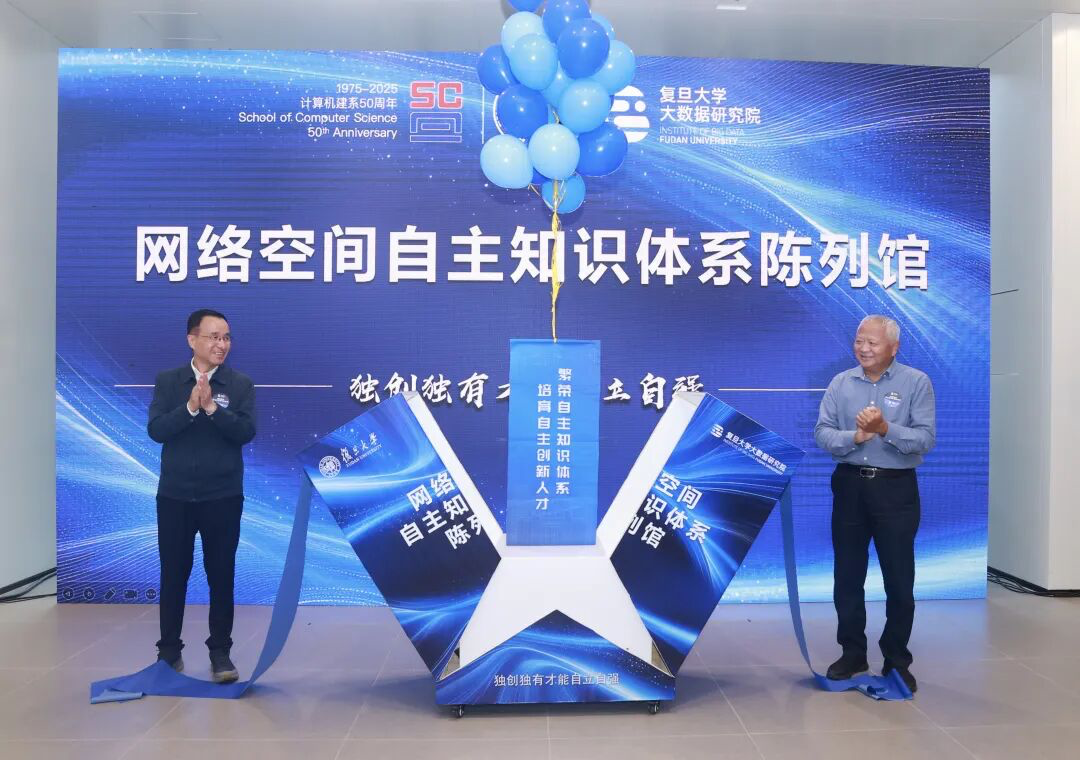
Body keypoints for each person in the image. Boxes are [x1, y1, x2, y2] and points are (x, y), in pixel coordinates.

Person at [813, 315, 935, 694]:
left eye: (872, 343)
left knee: (899, 579)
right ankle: (852, 653)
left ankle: (896, 660)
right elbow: (822, 433)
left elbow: (924, 439)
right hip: (850, 486)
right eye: (859, 341)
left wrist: (885, 429)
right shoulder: (840, 382)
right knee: (847, 577)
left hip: (895, 489)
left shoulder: (916, 382)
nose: (863, 348)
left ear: (894, 348)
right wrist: (856, 436)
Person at [147, 309, 256, 683]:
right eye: (214, 336)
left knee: (221, 575)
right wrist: (190, 408)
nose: (221, 344)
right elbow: (157, 430)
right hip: (175, 497)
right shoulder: (169, 381)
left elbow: (245, 432)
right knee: (173, 574)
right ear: (192, 339)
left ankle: (220, 653)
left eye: (226, 338)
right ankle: (168, 652)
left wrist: (211, 408)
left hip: (222, 497)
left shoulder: (239, 385)